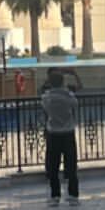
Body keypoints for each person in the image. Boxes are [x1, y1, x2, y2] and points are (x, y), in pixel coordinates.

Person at [40, 69, 80, 202]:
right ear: (63, 82)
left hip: (53, 133)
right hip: (68, 133)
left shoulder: (47, 98)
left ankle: (55, 194)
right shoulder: (68, 96)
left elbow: (45, 107)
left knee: (53, 166)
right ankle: (73, 193)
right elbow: (75, 105)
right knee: (71, 164)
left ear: (50, 83)